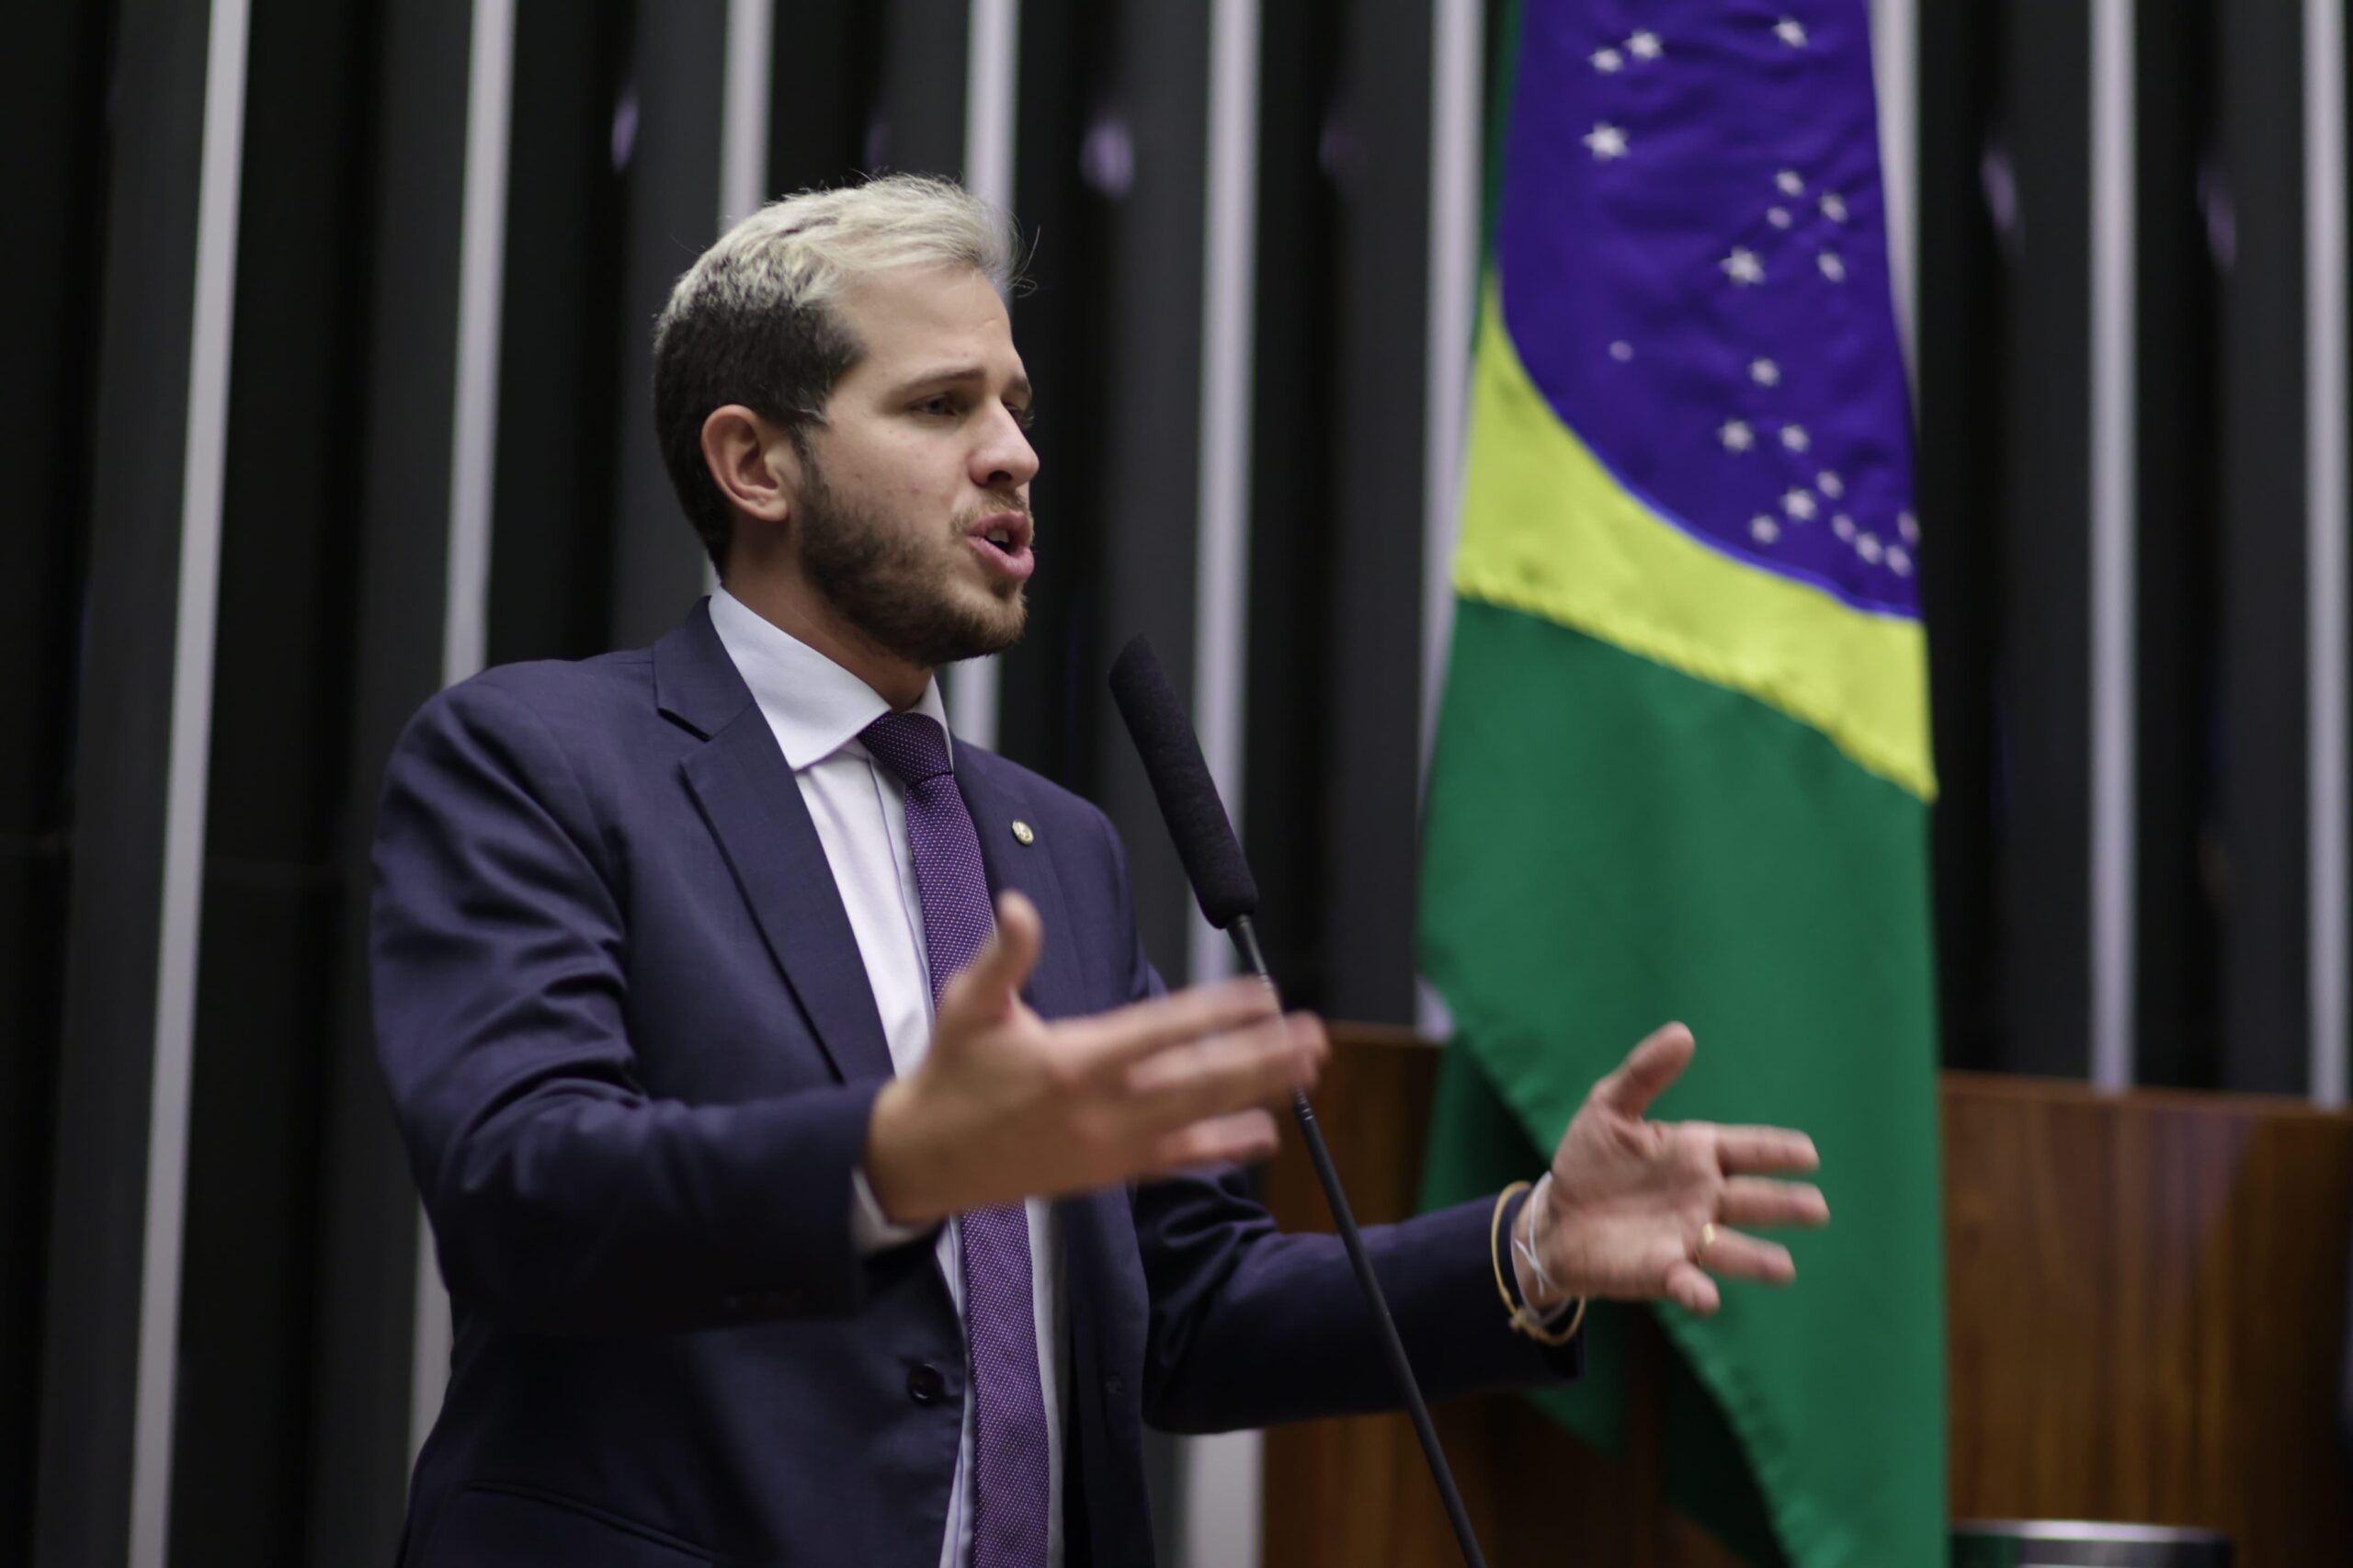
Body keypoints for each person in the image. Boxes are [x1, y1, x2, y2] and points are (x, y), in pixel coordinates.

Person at [370, 174, 1829, 1568]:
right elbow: (522, 1192)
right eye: (940, 405)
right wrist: (889, 1159)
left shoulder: (1056, 847)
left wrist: (1531, 1246)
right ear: (756, 463)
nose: (1014, 452)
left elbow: (1186, 1306)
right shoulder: (543, 761)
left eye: (1013, 402)